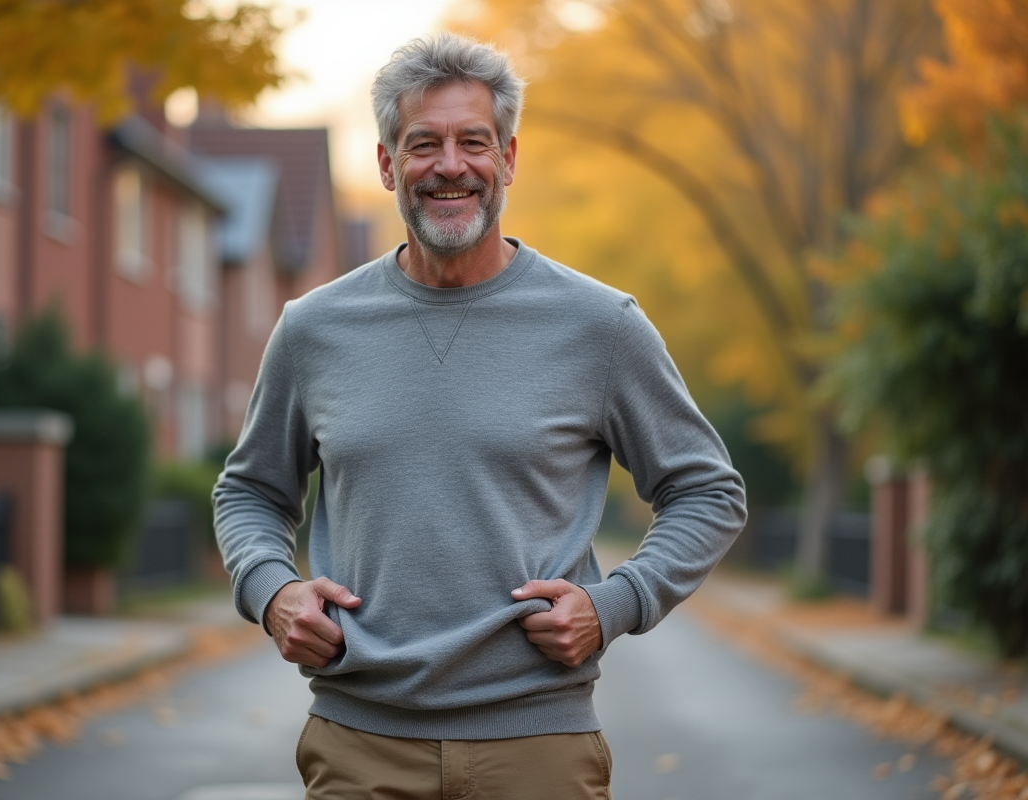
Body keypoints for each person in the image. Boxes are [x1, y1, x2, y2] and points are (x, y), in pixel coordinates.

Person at [213, 32, 747, 799]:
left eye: (474, 141)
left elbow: (708, 491)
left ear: (509, 158)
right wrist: (272, 591)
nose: (451, 165)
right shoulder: (313, 328)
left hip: (539, 746)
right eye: (424, 143)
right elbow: (250, 492)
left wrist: (615, 604)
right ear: (388, 163)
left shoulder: (600, 326)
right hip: (359, 744)